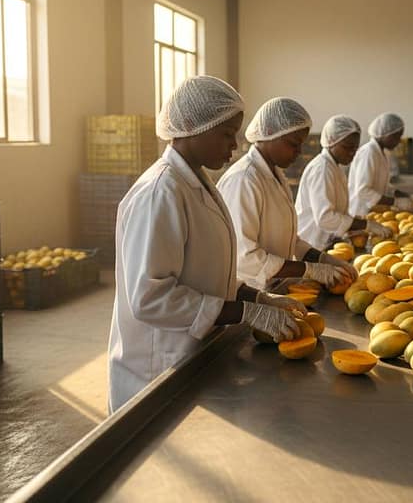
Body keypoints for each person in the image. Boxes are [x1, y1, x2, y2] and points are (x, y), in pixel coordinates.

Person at [108, 77, 306, 413]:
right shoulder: (160, 193)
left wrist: (255, 296)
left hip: (191, 355)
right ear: (190, 127)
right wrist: (246, 312)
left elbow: (207, 272)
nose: (235, 145)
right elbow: (150, 299)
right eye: (227, 134)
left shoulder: (197, 181)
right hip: (156, 370)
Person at [218, 97, 357, 291]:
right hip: (250, 292)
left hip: (275, 285)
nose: (299, 151)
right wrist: (309, 270)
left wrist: (323, 259)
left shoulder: (275, 175)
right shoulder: (244, 179)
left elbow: (291, 240)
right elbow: (245, 257)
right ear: (268, 134)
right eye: (293, 143)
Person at [295, 115, 394, 249]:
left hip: (325, 242)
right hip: (312, 243)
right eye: (348, 147)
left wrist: (351, 226)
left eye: (355, 148)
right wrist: (366, 225)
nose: (352, 153)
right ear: (331, 141)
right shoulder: (322, 169)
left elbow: (336, 211)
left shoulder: (335, 167)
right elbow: (326, 218)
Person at [348, 113, 413, 216]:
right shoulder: (369, 152)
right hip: (360, 212)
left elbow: (381, 185)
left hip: (374, 212)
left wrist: (397, 193)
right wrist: (394, 202)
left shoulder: (384, 153)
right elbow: (363, 191)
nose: (399, 141)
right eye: (396, 136)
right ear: (385, 134)